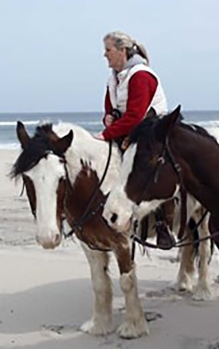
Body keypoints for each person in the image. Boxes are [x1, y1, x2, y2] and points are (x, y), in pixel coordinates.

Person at [96, 31, 174, 247]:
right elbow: (109, 109)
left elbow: (135, 116)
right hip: (128, 130)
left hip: (152, 131)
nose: (105, 55)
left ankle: (162, 225)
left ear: (122, 51)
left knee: (148, 168)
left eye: (108, 50)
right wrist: (108, 119)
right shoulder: (113, 78)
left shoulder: (141, 75)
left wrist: (105, 134)